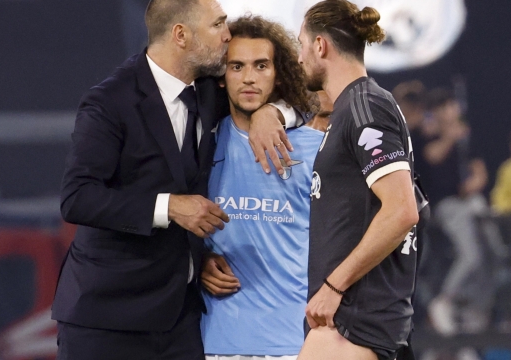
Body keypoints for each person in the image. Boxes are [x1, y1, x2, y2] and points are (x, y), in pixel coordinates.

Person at [51, 1, 298, 359]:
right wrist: (170, 207)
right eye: (217, 25)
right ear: (181, 35)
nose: (227, 35)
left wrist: (270, 112)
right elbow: (78, 197)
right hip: (107, 319)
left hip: (180, 321)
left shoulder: (208, 91)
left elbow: (301, 93)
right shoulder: (110, 101)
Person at [198, 15, 329, 360]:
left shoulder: (316, 150)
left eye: (261, 65)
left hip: (296, 344)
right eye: (237, 66)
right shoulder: (198, 147)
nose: (250, 78)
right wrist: (196, 259)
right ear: (221, 77)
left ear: (278, 73)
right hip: (214, 343)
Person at [296, 1, 419, 359]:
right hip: (355, 321)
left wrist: (333, 286)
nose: (299, 57)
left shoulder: (365, 106)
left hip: (353, 322)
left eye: (301, 45)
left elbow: (402, 211)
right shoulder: (353, 108)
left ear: (320, 46)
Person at [423, 88, 505, 336]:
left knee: (495, 255)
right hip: (445, 206)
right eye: (444, 107)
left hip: (470, 202)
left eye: (452, 106)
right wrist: (450, 136)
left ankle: (474, 306)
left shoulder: (467, 137)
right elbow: (431, 157)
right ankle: (444, 300)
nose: (450, 111)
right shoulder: (429, 133)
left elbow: (479, 170)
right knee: (471, 256)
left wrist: (475, 181)